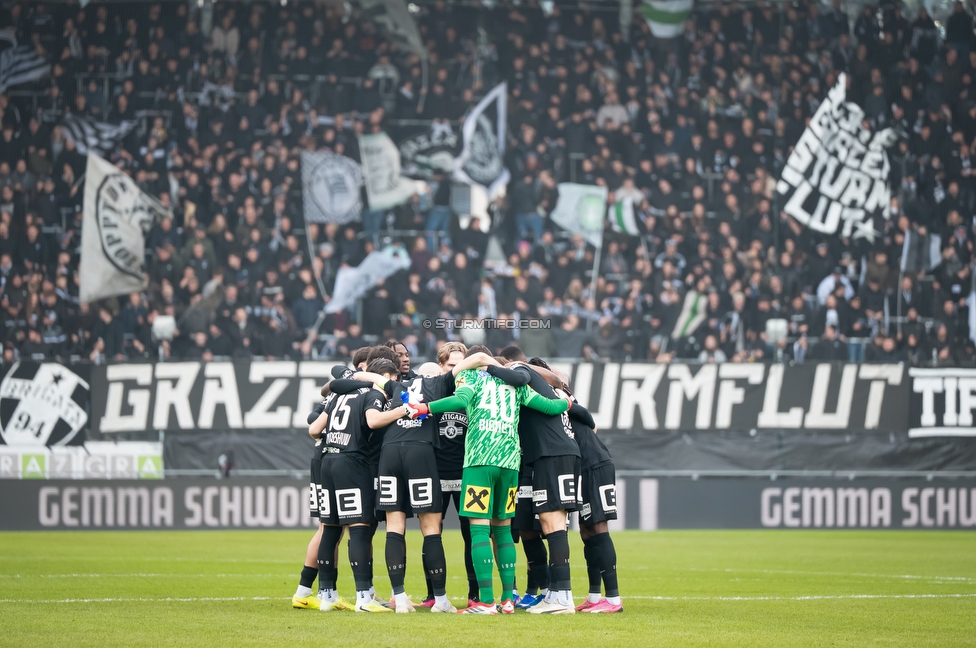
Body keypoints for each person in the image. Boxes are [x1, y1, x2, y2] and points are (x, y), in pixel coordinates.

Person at [405, 346, 572, 614]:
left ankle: (485, 601)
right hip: (510, 463)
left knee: (480, 530)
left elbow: (459, 400)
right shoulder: (515, 385)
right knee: (503, 530)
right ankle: (508, 598)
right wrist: (567, 401)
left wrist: (424, 408)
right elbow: (549, 406)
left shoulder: (470, 378)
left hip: (479, 461)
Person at [316, 357, 410, 613]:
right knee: (358, 527)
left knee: (331, 528)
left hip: (327, 461)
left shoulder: (338, 395)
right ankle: (363, 599)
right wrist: (404, 410)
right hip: (351, 462)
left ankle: (327, 596)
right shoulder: (373, 394)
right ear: (386, 377)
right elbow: (372, 421)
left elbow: (314, 429)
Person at [493, 347, 582, 614]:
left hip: (553, 454)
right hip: (553, 454)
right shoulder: (531, 380)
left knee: (553, 523)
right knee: (549, 522)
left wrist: (493, 367)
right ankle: (555, 593)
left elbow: (523, 375)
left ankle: (563, 597)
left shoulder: (518, 372)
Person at [557, 385, 623, 613]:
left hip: (595, 464)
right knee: (585, 529)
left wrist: (568, 401)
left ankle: (613, 599)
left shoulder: (557, 395)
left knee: (598, 526)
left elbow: (586, 416)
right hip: (582, 468)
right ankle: (595, 596)